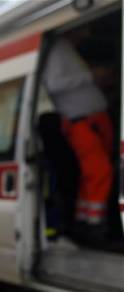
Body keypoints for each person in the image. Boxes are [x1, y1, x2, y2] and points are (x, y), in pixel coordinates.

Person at [42, 32, 114, 247]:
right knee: (100, 172)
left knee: (92, 175)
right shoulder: (55, 48)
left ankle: (85, 221)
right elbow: (53, 84)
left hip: (92, 120)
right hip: (80, 122)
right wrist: (90, 76)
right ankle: (94, 225)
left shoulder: (65, 49)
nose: (88, 31)